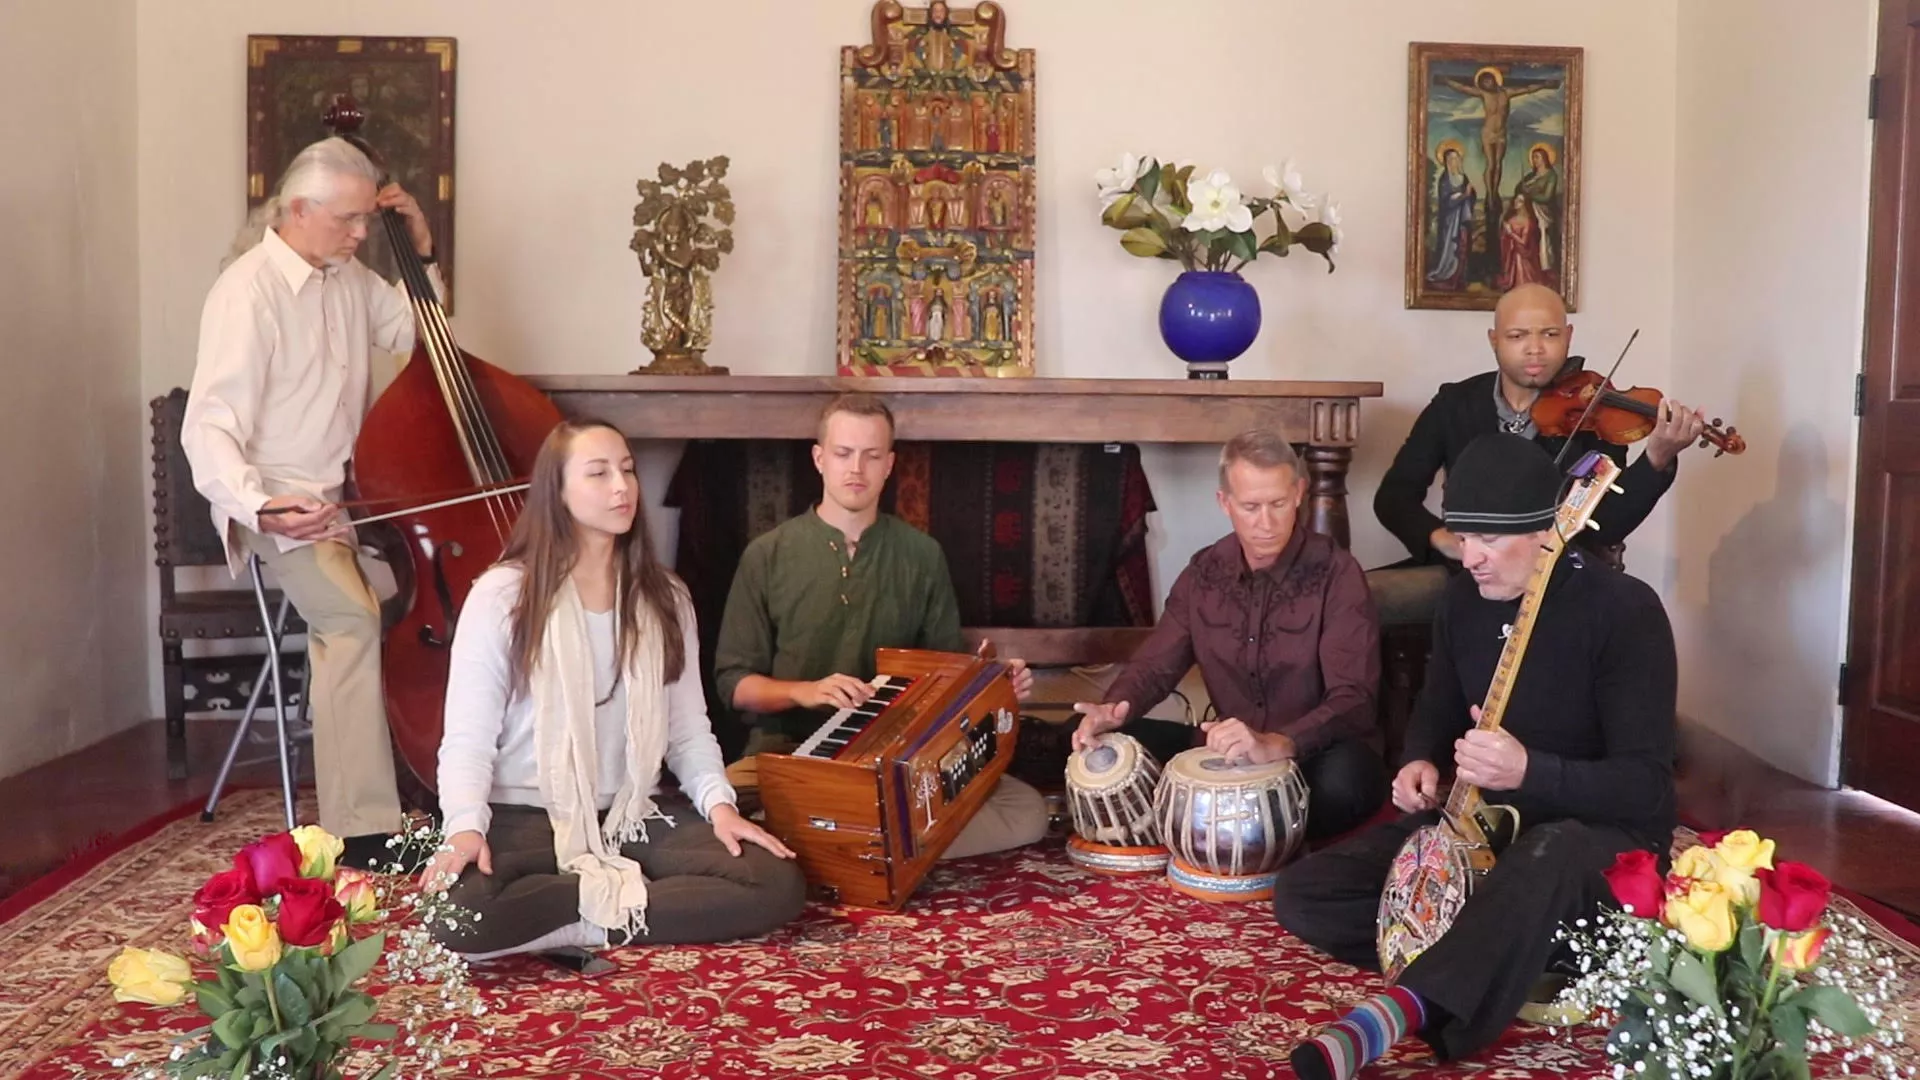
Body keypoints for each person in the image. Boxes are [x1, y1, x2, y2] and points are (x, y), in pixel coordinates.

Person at [1271, 433, 1679, 1079]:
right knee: (1305, 892)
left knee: (1548, 855)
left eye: (1488, 539)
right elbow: (1436, 708)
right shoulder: (1462, 599)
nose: (1471, 558)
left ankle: (1406, 1009)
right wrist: (1418, 761)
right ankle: (1503, 955)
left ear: (1547, 529)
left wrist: (1531, 771)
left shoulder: (1625, 611)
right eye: (1462, 537)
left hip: (1594, 840)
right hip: (1482, 833)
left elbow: (1647, 788)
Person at [426, 420, 807, 959]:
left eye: (627, 470)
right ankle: (624, 906)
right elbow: (468, 738)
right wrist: (465, 828)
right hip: (524, 815)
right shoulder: (503, 594)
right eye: (599, 473)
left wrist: (720, 807)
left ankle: (577, 921)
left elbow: (687, 730)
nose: (622, 487)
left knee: (775, 882)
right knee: (458, 919)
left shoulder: (665, 596)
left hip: (630, 815)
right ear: (558, 491)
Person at [182, 136, 441, 866]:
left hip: (352, 502)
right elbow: (209, 427)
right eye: (348, 219)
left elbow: (418, 335)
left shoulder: (351, 278)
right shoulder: (246, 292)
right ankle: (364, 831)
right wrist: (263, 506)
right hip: (282, 509)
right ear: (299, 210)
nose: (361, 234)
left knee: (418, 607)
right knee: (351, 617)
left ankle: (434, 783)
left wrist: (420, 253)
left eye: (367, 220)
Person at [713, 392, 1049, 860]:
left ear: (889, 465)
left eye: (871, 456)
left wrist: (997, 686)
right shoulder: (767, 555)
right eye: (843, 453)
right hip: (788, 753)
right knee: (724, 807)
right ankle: (875, 843)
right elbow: (734, 684)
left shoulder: (921, 555)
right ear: (819, 459)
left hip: (893, 762)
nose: (857, 469)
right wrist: (807, 691)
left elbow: (946, 681)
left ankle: (841, 845)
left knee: (1026, 810)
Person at [1071, 431, 1388, 842]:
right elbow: (1155, 667)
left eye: (1278, 504)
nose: (1266, 522)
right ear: (1225, 503)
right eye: (1251, 507)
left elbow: (1354, 700)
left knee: (1346, 783)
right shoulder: (1204, 572)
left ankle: (1214, 824)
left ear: (1298, 493)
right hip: (1227, 750)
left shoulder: (1337, 574)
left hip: (1316, 754)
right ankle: (1229, 822)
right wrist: (1114, 708)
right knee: (1093, 741)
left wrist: (1279, 743)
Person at [1374, 283, 1708, 569]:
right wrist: (1443, 540)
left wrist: (1656, 460)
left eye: (1550, 334)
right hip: (1467, 572)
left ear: (1568, 336)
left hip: (1559, 576)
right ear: (1494, 339)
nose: (1535, 349)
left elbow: (1607, 525)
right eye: (1517, 336)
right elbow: (1393, 497)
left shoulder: (1595, 413)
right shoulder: (1454, 404)